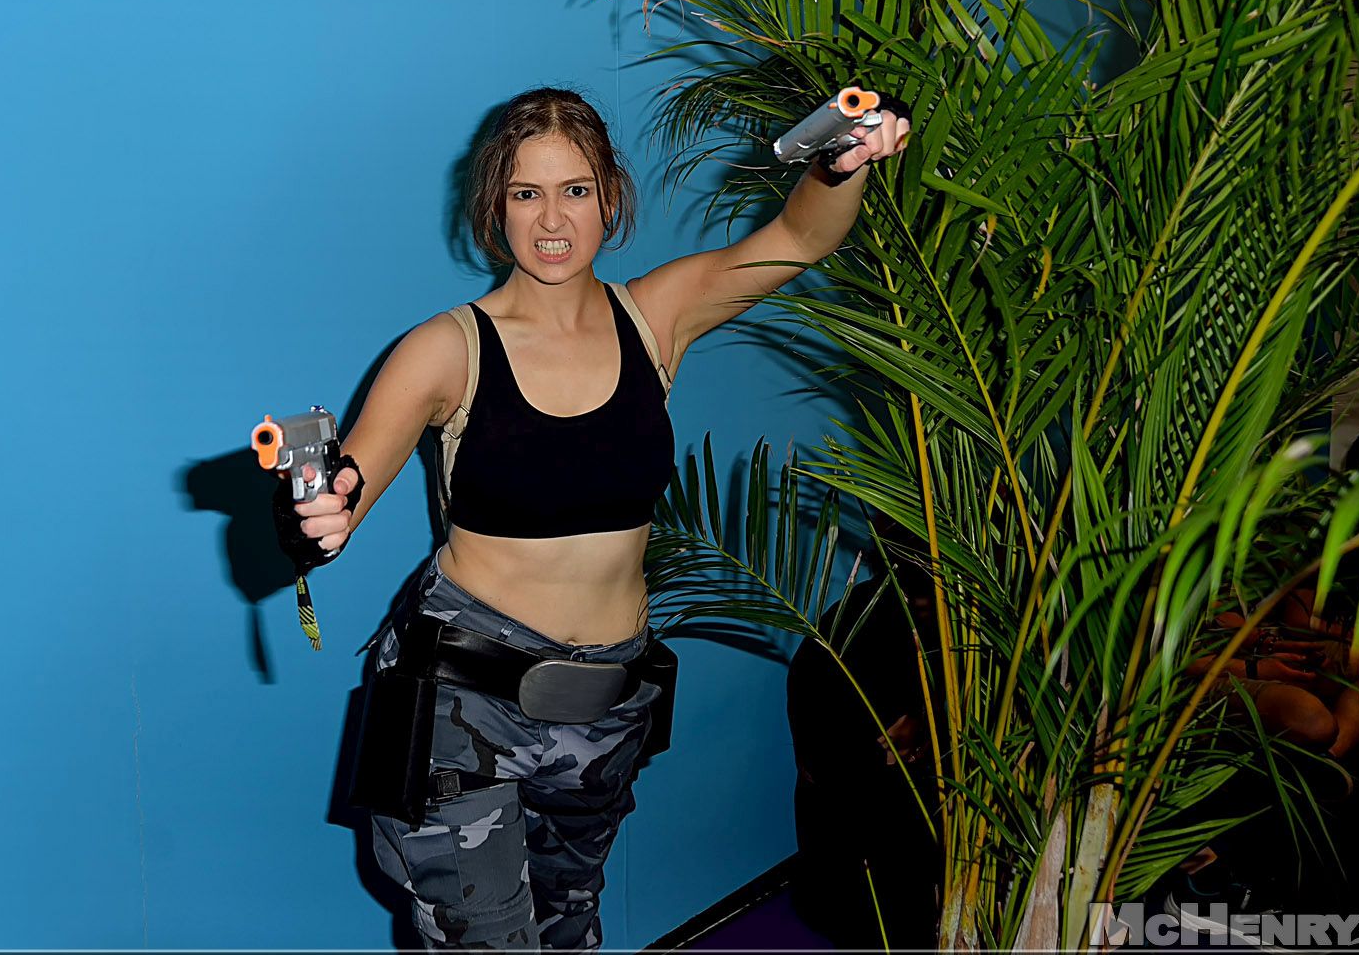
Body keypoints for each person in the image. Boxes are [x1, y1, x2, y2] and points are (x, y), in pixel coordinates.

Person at [286, 85, 910, 950]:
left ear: (609, 198)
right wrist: (317, 514)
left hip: (607, 706)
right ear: (495, 207)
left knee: (570, 929)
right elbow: (347, 486)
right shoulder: (446, 349)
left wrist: (840, 166)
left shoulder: (655, 317)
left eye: (575, 190)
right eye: (526, 193)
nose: (552, 220)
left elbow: (797, 239)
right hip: (465, 704)